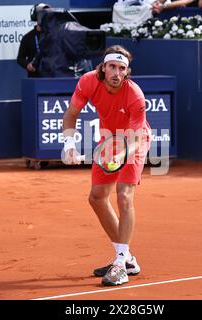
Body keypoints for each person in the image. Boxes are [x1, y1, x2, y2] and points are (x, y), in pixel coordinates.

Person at [62, 45, 151, 286]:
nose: (116, 72)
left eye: (122, 69)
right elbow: (71, 114)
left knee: (124, 196)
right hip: (108, 140)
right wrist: (69, 144)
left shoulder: (135, 95)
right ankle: (128, 258)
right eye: (112, 66)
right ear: (103, 68)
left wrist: (122, 155)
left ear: (126, 72)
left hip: (134, 141)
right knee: (97, 197)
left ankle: (120, 264)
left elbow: (135, 138)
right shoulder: (88, 81)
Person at [16, 3, 50, 78]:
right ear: (36, 17)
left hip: (52, 77)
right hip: (35, 77)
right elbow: (20, 58)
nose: (45, 16)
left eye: (47, 14)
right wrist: (28, 65)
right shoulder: (28, 37)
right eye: (42, 14)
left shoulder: (54, 35)